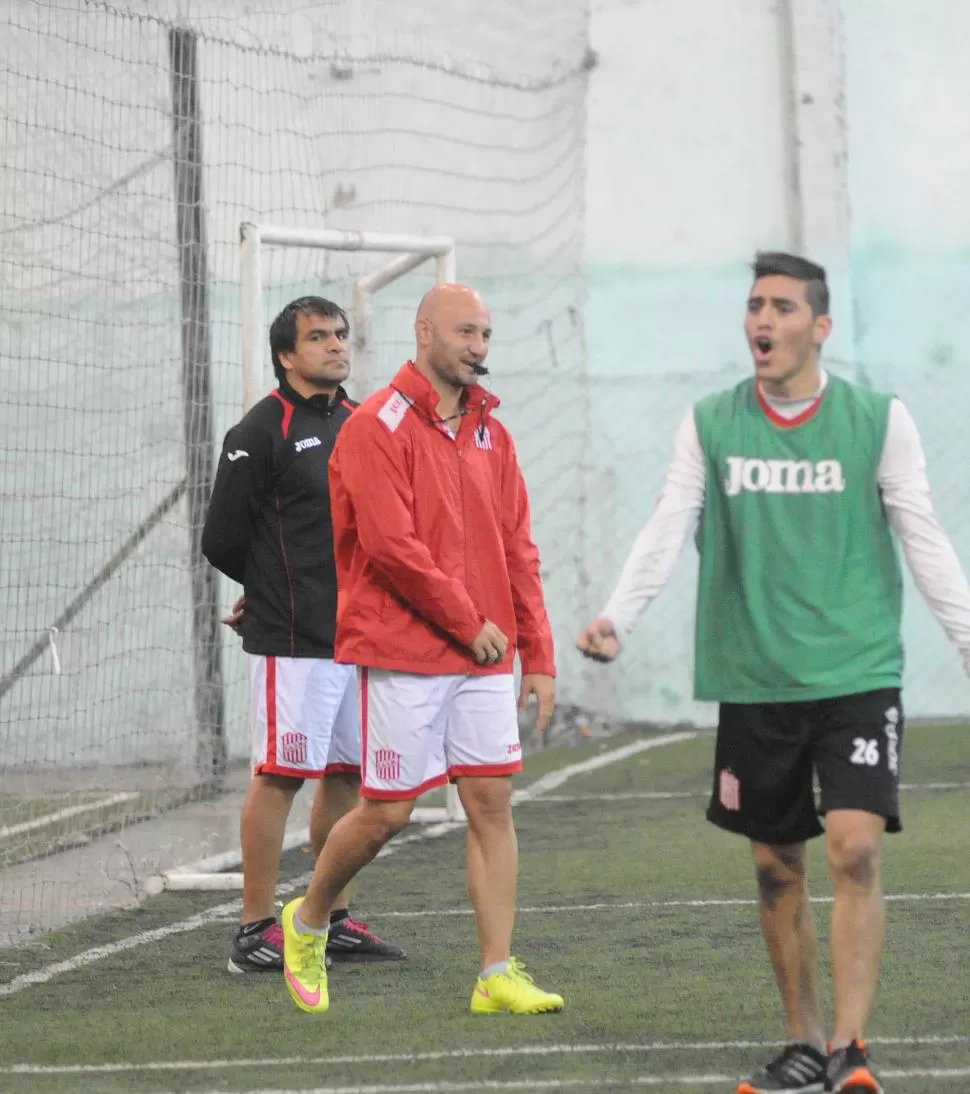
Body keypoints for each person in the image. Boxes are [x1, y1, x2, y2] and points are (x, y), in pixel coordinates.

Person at [577, 252, 970, 1094]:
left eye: (783, 306)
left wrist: (968, 637)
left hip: (857, 670)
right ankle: (802, 1041)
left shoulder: (877, 419)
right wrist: (620, 614)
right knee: (773, 867)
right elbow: (667, 520)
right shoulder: (712, 422)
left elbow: (924, 534)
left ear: (819, 327)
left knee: (856, 849)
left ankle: (850, 1050)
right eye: (755, 304)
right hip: (755, 676)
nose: (763, 319)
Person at [278, 283, 563, 1017]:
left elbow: (518, 547)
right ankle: (306, 921)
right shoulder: (376, 425)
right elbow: (391, 547)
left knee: (492, 802)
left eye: (487, 335)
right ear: (423, 332)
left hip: (485, 652)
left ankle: (495, 972)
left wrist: (540, 651)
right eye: (466, 331)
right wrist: (470, 624)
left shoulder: (491, 433)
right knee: (389, 813)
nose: (479, 347)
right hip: (408, 647)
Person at [201, 295, 404, 974]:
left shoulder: (363, 421)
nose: (336, 346)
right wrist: (266, 588)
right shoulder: (259, 431)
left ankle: (332, 915)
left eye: (341, 335)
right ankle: (255, 926)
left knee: (346, 775)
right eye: (319, 337)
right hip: (290, 636)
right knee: (282, 775)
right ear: (288, 355)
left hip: (356, 637)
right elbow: (222, 537)